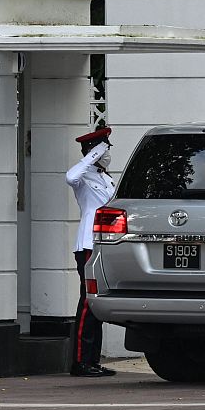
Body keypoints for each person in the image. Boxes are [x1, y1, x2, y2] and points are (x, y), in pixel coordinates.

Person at [66, 126, 118, 377]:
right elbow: (70, 176)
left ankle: (92, 360)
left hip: (103, 243)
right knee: (87, 303)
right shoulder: (84, 175)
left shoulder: (105, 178)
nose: (108, 154)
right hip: (87, 244)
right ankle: (80, 362)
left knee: (96, 304)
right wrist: (92, 155)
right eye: (105, 149)